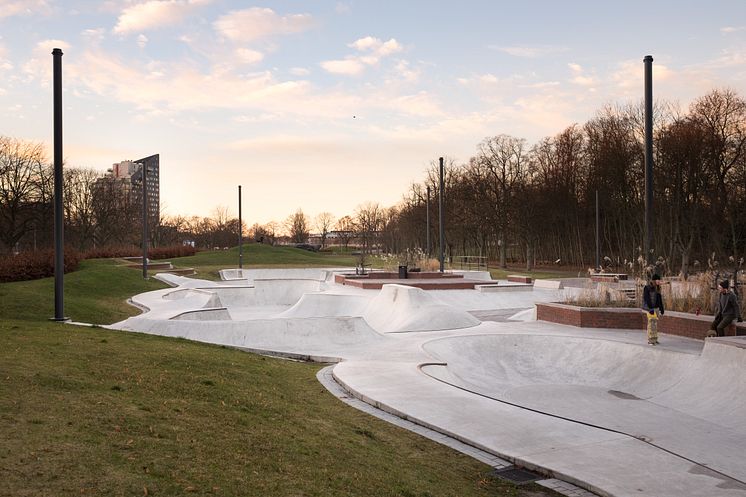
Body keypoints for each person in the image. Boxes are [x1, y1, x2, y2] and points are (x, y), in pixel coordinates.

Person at [642, 273, 665, 345]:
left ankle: (655, 339)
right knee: (651, 325)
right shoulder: (647, 287)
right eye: (658, 280)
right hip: (650, 309)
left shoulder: (658, 288)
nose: (659, 281)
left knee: (655, 325)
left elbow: (659, 299)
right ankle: (650, 340)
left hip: (656, 308)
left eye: (659, 280)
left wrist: (661, 308)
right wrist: (650, 309)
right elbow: (646, 298)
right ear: (654, 280)